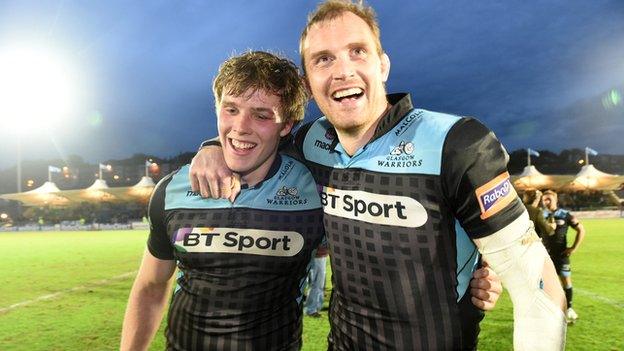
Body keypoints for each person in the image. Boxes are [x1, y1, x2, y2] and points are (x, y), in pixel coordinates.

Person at [189, 1, 567, 349]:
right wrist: (211, 148)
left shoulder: (455, 144)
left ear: (382, 65)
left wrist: (482, 269)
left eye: (357, 51)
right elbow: (253, 136)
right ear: (307, 85)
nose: (342, 70)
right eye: (322, 59)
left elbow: (537, 288)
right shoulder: (309, 141)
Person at [120, 51, 326, 350]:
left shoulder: (313, 189)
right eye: (231, 109)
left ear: (286, 126)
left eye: (261, 115)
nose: (240, 127)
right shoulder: (173, 189)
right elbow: (151, 286)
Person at [541, 189, 585, 324]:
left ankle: (569, 309)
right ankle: (548, 311)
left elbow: (581, 230)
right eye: (544, 199)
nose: (546, 202)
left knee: (566, 281)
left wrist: (573, 248)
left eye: (549, 199)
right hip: (545, 255)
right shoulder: (540, 215)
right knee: (544, 284)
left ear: (556, 200)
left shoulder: (565, 215)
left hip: (561, 254)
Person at [305, 242, 329, 317]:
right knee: (315, 285)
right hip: (315, 258)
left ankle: (317, 307)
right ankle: (311, 310)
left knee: (320, 285)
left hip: (322, 257)